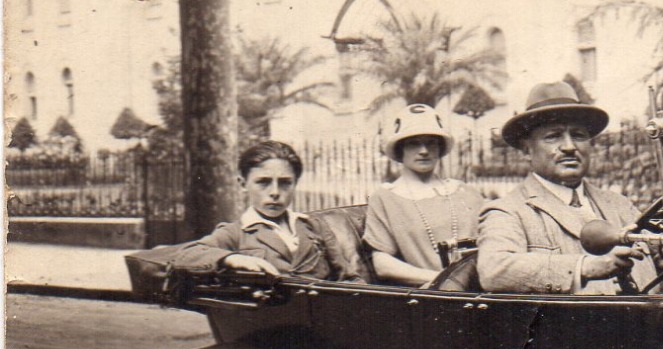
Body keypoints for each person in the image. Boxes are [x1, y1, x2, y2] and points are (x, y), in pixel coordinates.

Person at [476, 82, 643, 295]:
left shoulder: (620, 205)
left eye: (578, 135)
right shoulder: (508, 211)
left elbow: (662, 257)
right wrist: (583, 267)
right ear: (527, 150)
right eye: (553, 136)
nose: (569, 146)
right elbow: (494, 269)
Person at [166, 140, 335, 278]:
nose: (275, 192)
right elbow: (184, 256)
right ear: (243, 184)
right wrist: (231, 258)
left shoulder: (313, 226)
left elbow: (349, 277)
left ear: (295, 184)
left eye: (285, 183)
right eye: (263, 182)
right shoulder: (235, 233)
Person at [364, 103, 487, 286]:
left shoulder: (465, 192)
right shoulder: (385, 198)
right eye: (414, 143)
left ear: (440, 148)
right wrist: (446, 280)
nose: (424, 151)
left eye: (431, 142)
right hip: (430, 294)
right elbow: (383, 264)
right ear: (400, 150)